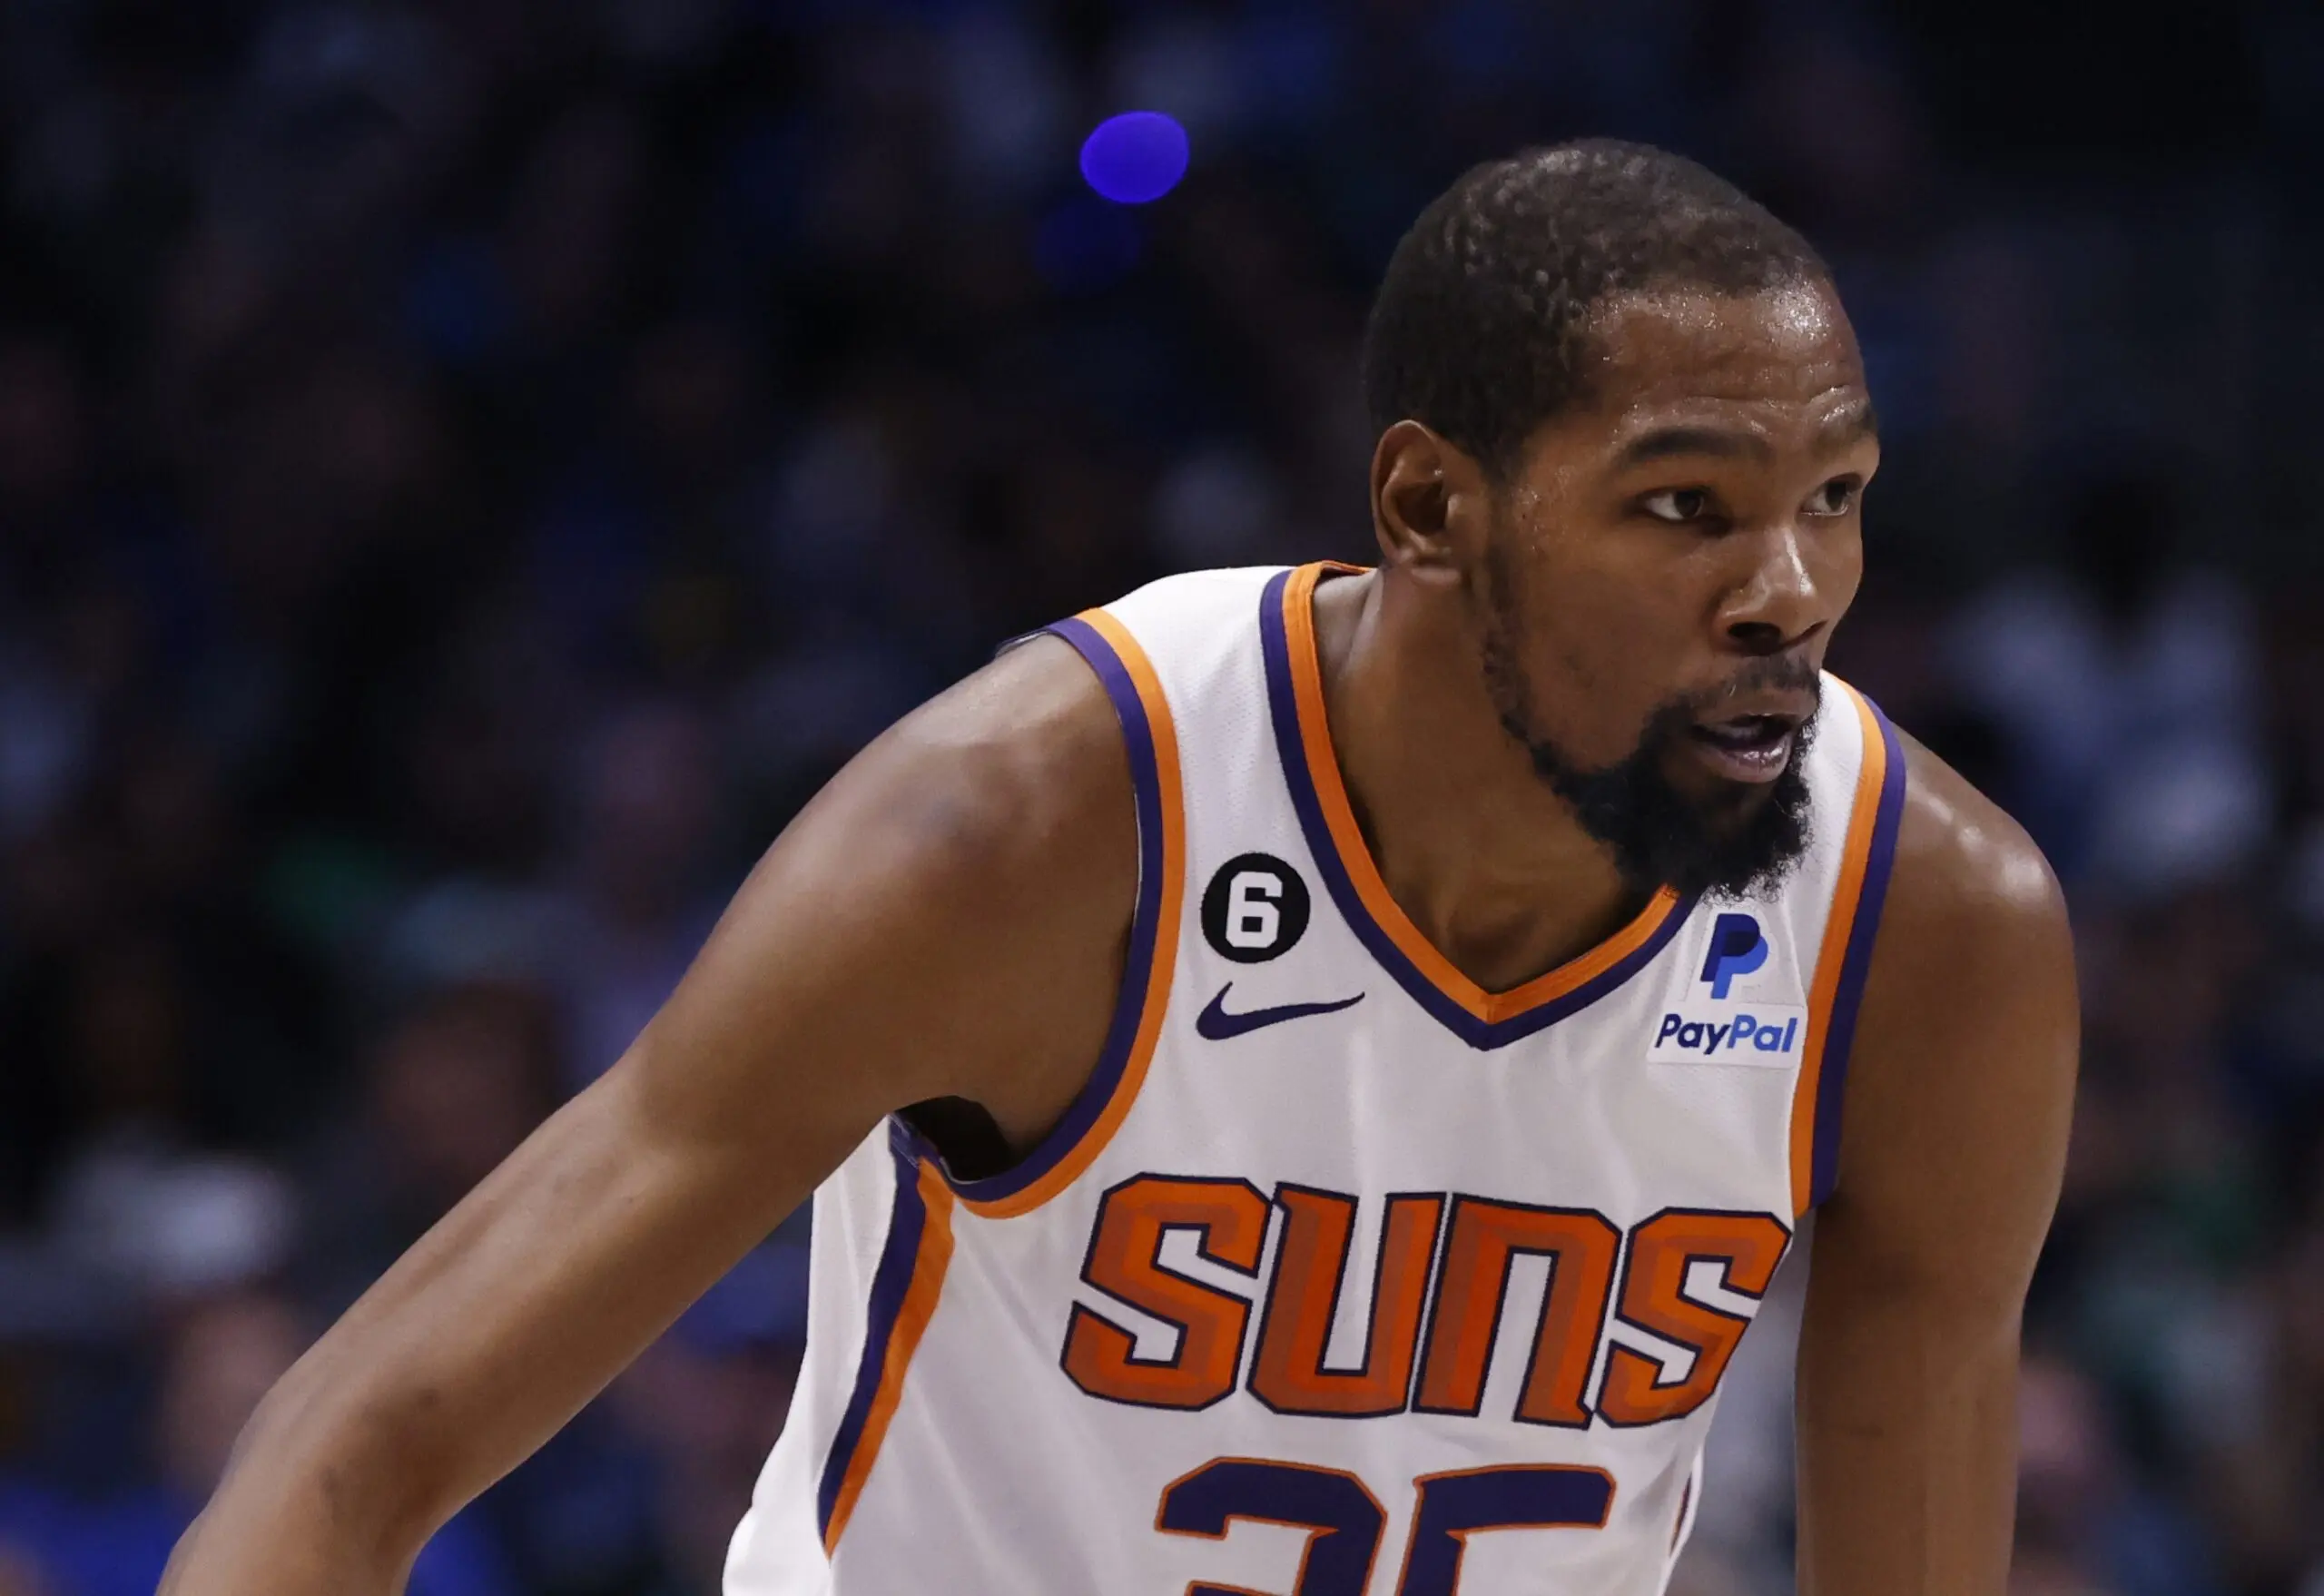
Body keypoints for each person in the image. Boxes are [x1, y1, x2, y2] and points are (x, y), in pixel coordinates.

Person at [159, 140, 2076, 1596]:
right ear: (1427, 505)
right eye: (1688, 509)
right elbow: (371, 1432)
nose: (1789, 594)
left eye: (1832, 500)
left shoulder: (1930, 935)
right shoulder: (1027, 832)